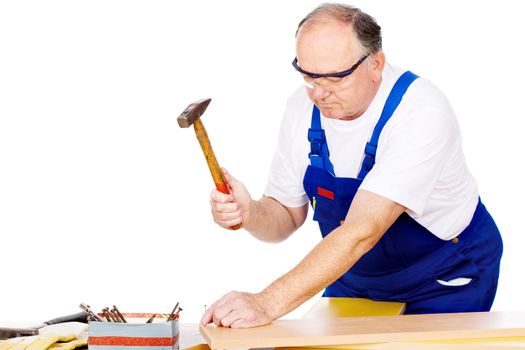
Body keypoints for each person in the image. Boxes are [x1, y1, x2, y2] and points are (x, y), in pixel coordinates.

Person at [200, 3, 503, 328]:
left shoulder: (420, 113)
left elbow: (362, 231)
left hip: (442, 273)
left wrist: (266, 303)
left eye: (335, 78)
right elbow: (286, 216)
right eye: (308, 76)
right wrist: (251, 214)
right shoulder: (301, 108)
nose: (318, 93)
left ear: (376, 63)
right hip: (353, 272)